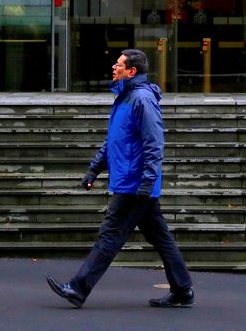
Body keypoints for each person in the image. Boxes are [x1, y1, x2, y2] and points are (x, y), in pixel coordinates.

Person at [46, 49, 194, 308]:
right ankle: (182, 290)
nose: (114, 67)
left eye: (119, 64)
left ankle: (78, 288)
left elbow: (154, 143)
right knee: (160, 237)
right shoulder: (125, 97)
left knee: (110, 235)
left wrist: (148, 181)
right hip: (132, 182)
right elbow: (114, 140)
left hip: (135, 185)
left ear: (132, 71)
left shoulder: (141, 99)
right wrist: (94, 168)